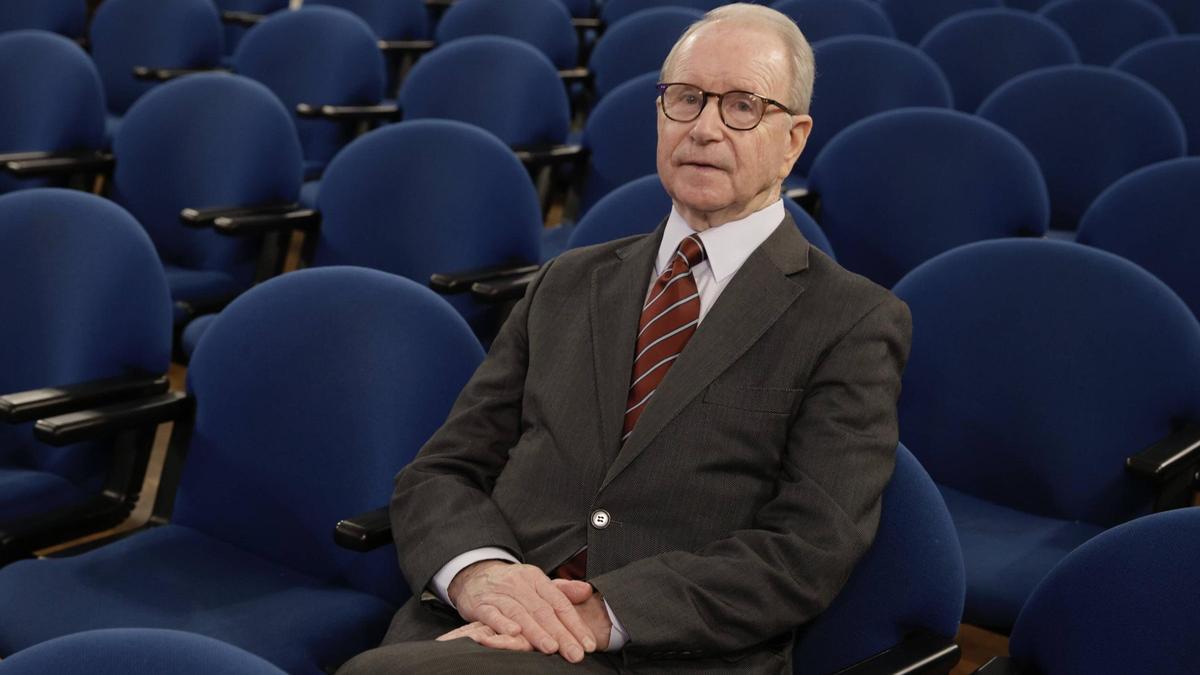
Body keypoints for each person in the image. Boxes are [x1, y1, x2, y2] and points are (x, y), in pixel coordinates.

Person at [339, 4, 911, 673]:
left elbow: (809, 548)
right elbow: (442, 470)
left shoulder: (852, 320)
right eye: (686, 99)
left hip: (659, 651)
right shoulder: (568, 280)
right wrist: (480, 574)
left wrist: (601, 612)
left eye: (742, 106)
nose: (703, 127)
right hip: (479, 625)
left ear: (793, 138)